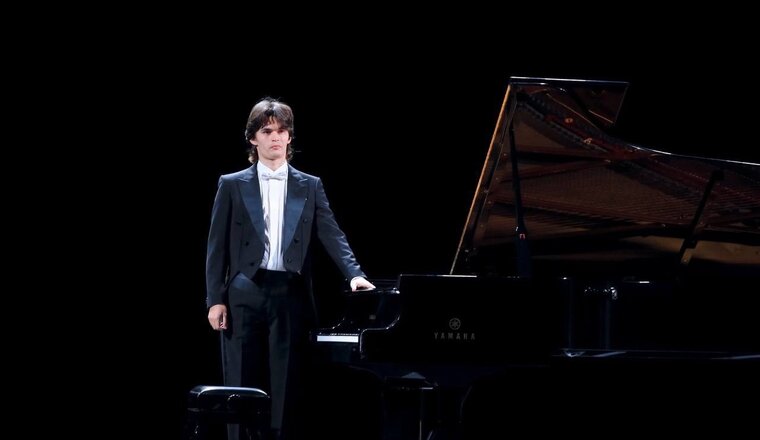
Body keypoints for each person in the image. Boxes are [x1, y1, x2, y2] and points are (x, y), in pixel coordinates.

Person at [205, 97, 375, 440]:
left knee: (288, 385)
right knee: (240, 382)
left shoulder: (309, 185)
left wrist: (354, 274)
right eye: (268, 131)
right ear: (253, 138)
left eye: (282, 131)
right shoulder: (232, 183)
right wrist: (215, 299)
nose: (276, 137)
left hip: (290, 292)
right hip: (244, 291)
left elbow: (331, 233)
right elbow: (216, 246)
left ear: (290, 137)